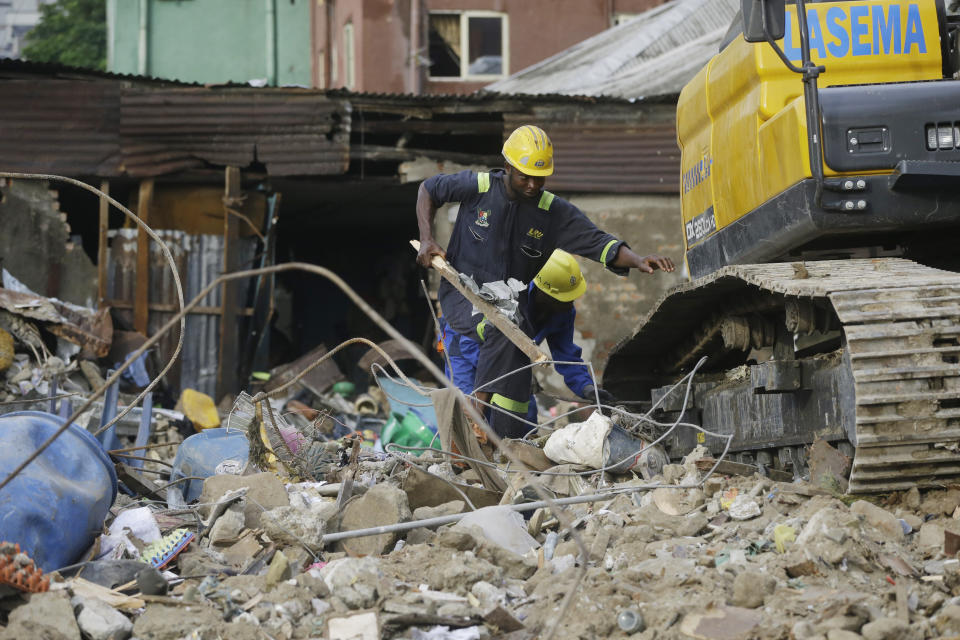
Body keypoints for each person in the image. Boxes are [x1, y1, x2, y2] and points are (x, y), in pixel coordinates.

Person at [416, 124, 674, 437]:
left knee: (514, 390)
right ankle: (473, 422)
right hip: (462, 300)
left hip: (507, 315)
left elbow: (598, 241)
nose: (532, 185)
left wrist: (637, 259)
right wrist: (427, 239)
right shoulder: (479, 186)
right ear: (508, 167)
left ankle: (509, 453)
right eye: (524, 176)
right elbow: (429, 189)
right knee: (477, 378)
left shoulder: (552, 213)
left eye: (540, 178)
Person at [439, 249, 616, 433]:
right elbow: (470, 344)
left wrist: (587, 388)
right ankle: (463, 460)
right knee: (469, 418)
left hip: (507, 362)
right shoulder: (506, 295)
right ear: (542, 291)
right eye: (562, 299)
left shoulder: (562, 312)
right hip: (462, 343)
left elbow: (566, 355)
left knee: (525, 420)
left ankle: (511, 457)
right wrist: (511, 370)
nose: (568, 305)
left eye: (571, 298)